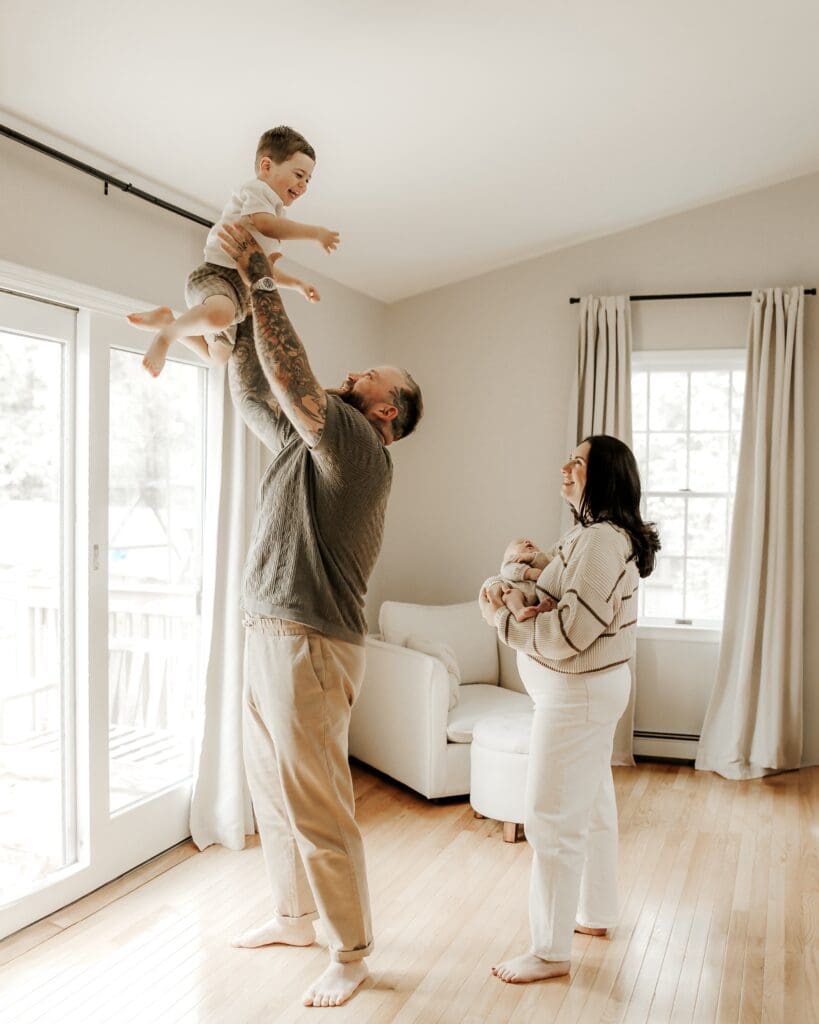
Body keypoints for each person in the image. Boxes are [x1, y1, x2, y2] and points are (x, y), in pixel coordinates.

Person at [216, 221, 422, 1008]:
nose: (353, 371)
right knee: (272, 792)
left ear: (386, 412)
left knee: (319, 805)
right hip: (268, 632)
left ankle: (352, 951)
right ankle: (293, 917)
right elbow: (251, 388)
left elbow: (291, 371)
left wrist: (261, 276)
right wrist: (235, 303)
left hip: (309, 646)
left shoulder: (361, 449)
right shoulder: (309, 446)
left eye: (369, 372)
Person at [478, 435, 660, 985]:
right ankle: (595, 914)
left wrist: (505, 620)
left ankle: (549, 952)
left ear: (602, 477)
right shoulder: (589, 537)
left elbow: (567, 635)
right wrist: (532, 572)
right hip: (586, 694)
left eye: (577, 462)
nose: (564, 467)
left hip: (576, 695)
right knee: (593, 806)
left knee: (551, 818)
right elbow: (565, 599)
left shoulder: (601, 542)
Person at [127, 126, 339, 377]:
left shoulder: (276, 211)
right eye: (299, 175)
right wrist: (315, 233)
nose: (303, 185)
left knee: (218, 357)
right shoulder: (258, 192)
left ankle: (168, 320)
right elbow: (266, 225)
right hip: (217, 277)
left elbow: (262, 268)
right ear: (267, 166)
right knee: (219, 316)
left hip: (237, 296)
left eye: (308, 180)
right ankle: (166, 337)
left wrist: (298, 284)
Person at [482, 537, 555, 622]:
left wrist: (533, 557)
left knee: (542, 602)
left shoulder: (541, 558)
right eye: (519, 543)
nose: (527, 541)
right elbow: (507, 570)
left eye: (531, 542)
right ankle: (519, 612)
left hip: (532, 600)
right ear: (510, 555)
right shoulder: (510, 563)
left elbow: (549, 563)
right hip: (512, 590)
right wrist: (527, 572)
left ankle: (537, 611)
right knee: (511, 594)